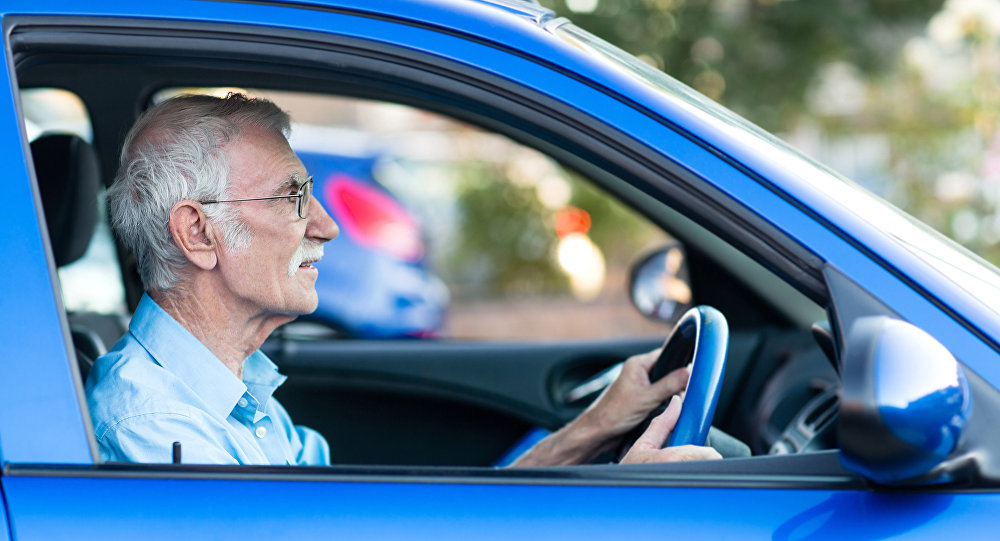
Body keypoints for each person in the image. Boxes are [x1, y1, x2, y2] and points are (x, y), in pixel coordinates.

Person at [86, 93, 721, 466]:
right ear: (199, 233)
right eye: (291, 198)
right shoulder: (159, 429)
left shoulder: (230, 394)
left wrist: (592, 430)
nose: (328, 227)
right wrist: (615, 518)